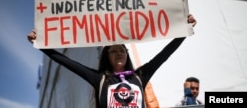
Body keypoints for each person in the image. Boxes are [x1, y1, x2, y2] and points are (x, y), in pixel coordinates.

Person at [27, 15, 197, 108]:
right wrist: (40, 44)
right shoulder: (99, 79)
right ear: (106, 56)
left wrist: (185, 30)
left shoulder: (140, 76)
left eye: (122, 50)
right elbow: (67, 62)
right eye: (113, 51)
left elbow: (164, 54)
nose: (119, 53)